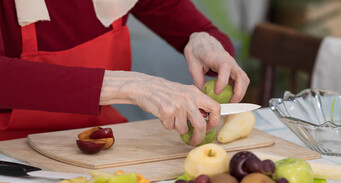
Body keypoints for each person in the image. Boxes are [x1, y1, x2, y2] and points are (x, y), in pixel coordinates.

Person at [0, 0, 249, 146]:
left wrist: (205, 40)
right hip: (11, 149)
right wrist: (133, 86)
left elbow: (195, 25)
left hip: (102, 141)